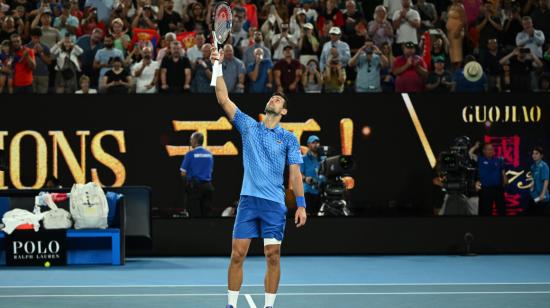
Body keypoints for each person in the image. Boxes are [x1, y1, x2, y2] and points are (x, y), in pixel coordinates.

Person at [210, 46, 307, 308]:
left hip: (274, 204)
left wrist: (301, 205)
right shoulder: (249, 126)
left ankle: (268, 306)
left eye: (279, 100)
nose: (274, 100)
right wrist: (217, 65)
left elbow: (295, 174)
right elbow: (222, 97)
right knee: (237, 254)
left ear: (284, 111)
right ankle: (231, 304)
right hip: (249, 202)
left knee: (272, 255)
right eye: (272, 98)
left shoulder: (289, 138)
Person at [180, 132, 214, 217]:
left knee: (194, 215)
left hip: (195, 188)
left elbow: (183, 173)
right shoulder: (209, 154)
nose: (190, 142)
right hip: (208, 187)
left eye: (191, 140)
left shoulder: (190, 154)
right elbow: (210, 170)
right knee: (207, 215)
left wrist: (187, 185)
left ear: (195, 141)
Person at [468, 141, 507, 216]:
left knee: (502, 210)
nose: (491, 151)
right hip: (485, 190)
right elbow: (470, 154)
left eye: (492, 149)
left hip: (498, 189)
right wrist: (475, 147)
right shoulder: (480, 159)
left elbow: (503, 171)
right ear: (484, 151)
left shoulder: (498, 160)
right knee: (486, 211)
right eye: (489, 149)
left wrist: (505, 181)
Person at [301, 135, 322, 216]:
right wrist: (306, 179)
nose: (316, 144)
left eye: (317, 142)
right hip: (308, 192)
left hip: (320, 192)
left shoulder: (323, 158)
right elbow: (300, 175)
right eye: (313, 142)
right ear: (308, 145)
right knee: (309, 216)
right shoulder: (303, 158)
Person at [26, 27, 52, 94]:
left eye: (38, 37)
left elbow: (49, 62)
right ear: (31, 37)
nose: (36, 39)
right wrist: (32, 53)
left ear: (40, 37)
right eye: (35, 37)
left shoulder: (45, 47)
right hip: (30, 75)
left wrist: (41, 53)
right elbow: (23, 62)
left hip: (43, 75)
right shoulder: (26, 47)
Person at [528, 146, 549, 216]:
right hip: (535, 195)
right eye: (533, 153)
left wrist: (543, 194)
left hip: (542, 196)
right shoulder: (532, 166)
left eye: (536, 154)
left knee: (542, 216)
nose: (534, 155)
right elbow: (533, 179)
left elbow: (546, 180)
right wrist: (531, 186)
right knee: (534, 215)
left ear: (541, 155)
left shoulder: (544, 165)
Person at [446, 0, 467, 70]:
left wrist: (458, 30)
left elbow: (464, 21)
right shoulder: (451, 7)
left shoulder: (460, 6)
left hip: (457, 32)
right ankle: (453, 71)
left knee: (457, 53)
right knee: (452, 53)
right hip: (450, 32)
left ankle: (458, 71)